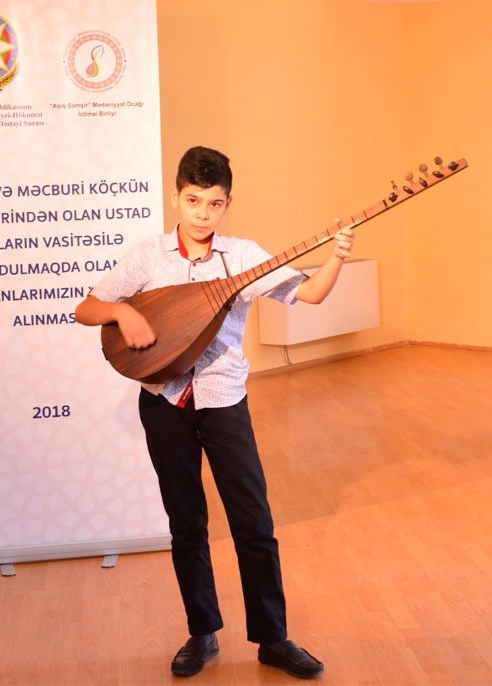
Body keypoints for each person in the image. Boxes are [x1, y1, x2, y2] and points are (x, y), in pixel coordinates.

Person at [75, 146, 354, 679]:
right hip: (163, 404)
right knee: (187, 523)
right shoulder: (147, 258)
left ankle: (272, 639)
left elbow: (311, 295)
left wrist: (337, 255)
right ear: (177, 196)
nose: (203, 213)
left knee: (254, 521)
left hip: (224, 402)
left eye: (214, 204)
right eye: (193, 200)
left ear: (228, 205)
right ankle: (202, 633)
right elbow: (86, 308)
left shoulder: (243, 257)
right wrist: (123, 310)